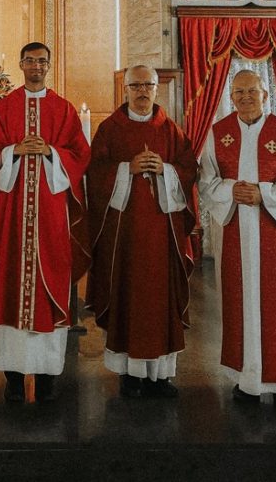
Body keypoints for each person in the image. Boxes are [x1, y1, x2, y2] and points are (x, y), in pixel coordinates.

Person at [198, 69, 276, 413]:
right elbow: (206, 180)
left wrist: (264, 194)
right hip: (235, 232)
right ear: (230, 98)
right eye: (238, 92)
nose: (245, 97)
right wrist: (230, 190)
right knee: (241, 302)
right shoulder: (219, 134)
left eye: (252, 91)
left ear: (266, 95)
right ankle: (247, 381)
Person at [0, 42, 90, 402]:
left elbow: (80, 154)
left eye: (41, 61)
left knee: (52, 283)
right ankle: (13, 377)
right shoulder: (4, 107)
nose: (35, 66)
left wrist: (50, 152)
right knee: (13, 286)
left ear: (48, 65)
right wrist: (15, 150)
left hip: (51, 216)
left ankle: (46, 378)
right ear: (20, 63)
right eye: (29, 60)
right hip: (13, 214)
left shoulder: (63, 109)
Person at [86, 65, 197, 399]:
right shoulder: (110, 129)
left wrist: (166, 170)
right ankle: (129, 375)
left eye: (148, 84)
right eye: (135, 85)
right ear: (125, 89)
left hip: (163, 234)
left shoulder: (170, 130)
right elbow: (94, 174)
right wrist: (126, 169)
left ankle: (160, 375)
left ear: (157, 88)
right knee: (127, 295)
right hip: (124, 235)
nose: (142, 91)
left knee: (161, 299)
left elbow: (190, 169)